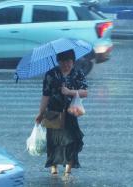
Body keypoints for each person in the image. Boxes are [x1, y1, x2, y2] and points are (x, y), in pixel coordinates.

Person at [35, 49, 88, 179]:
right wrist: (40, 113)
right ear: (58, 61)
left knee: (71, 141)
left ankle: (68, 171)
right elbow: (45, 95)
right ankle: (54, 170)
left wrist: (69, 92)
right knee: (53, 142)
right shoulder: (51, 75)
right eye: (63, 62)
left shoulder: (78, 73)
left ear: (73, 61)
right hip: (53, 112)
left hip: (71, 112)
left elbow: (85, 92)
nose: (66, 65)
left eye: (69, 62)